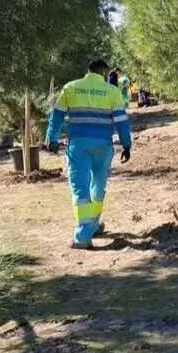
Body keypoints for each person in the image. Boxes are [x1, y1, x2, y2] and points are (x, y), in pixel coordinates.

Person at [45, 59, 133, 249]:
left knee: (80, 187)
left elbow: (57, 115)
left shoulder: (71, 87)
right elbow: (121, 120)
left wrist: (52, 138)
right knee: (98, 185)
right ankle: (93, 223)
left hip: (78, 145)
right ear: (104, 72)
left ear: (89, 70)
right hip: (103, 146)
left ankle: (84, 235)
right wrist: (126, 145)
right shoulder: (112, 91)